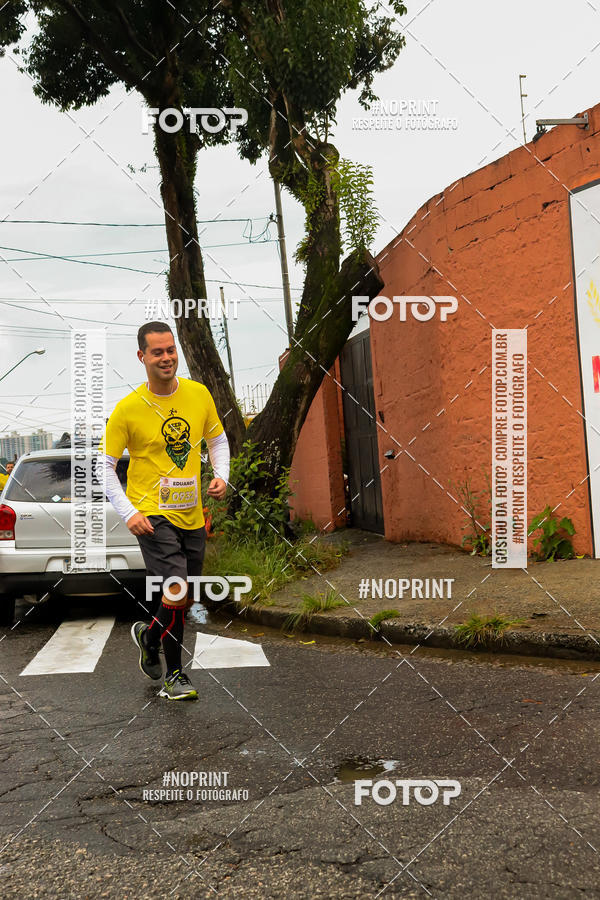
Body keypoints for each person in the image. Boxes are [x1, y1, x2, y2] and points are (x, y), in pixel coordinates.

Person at [100, 322, 230, 700]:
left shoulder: (198, 394)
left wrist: (221, 475)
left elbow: (217, 439)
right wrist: (129, 512)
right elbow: (104, 466)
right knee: (176, 589)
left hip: (191, 513)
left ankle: (149, 634)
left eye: (171, 350)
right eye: (157, 352)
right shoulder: (127, 410)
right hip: (152, 514)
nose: (167, 358)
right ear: (142, 357)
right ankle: (176, 675)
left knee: (184, 596)